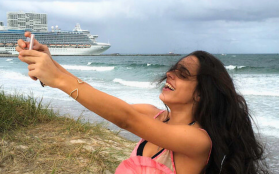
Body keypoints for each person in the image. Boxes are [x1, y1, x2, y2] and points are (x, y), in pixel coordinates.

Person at [16, 32, 269, 174]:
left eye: (182, 74)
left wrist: (58, 77)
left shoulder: (198, 140)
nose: (169, 74)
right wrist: (50, 63)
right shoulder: (154, 115)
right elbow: (105, 102)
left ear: (201, 93)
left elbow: (124, 117)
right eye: (173, 69)